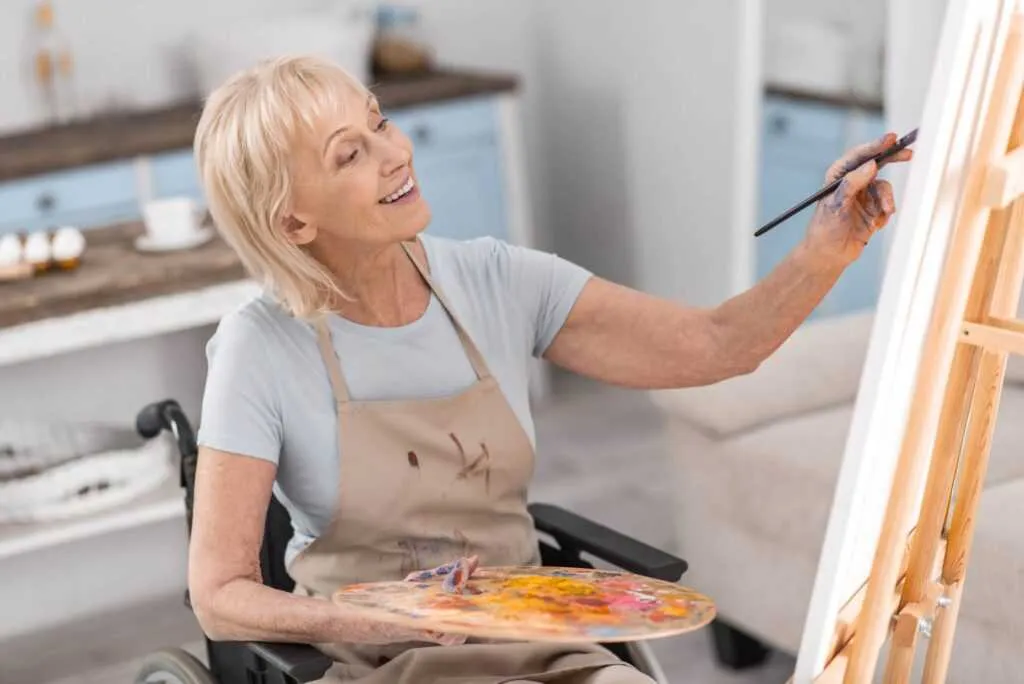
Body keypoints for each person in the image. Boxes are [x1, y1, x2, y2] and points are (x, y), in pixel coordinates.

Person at [187, 55, 911, 684]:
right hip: (381, 664)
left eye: (379, 122)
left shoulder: (495, 281)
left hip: (539, 642)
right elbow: (219, 595)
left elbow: (717, 344)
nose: (394, 152)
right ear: (293, 224)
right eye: (349, 154)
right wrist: (380, 621)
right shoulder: (260, 349)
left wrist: (827, 249)